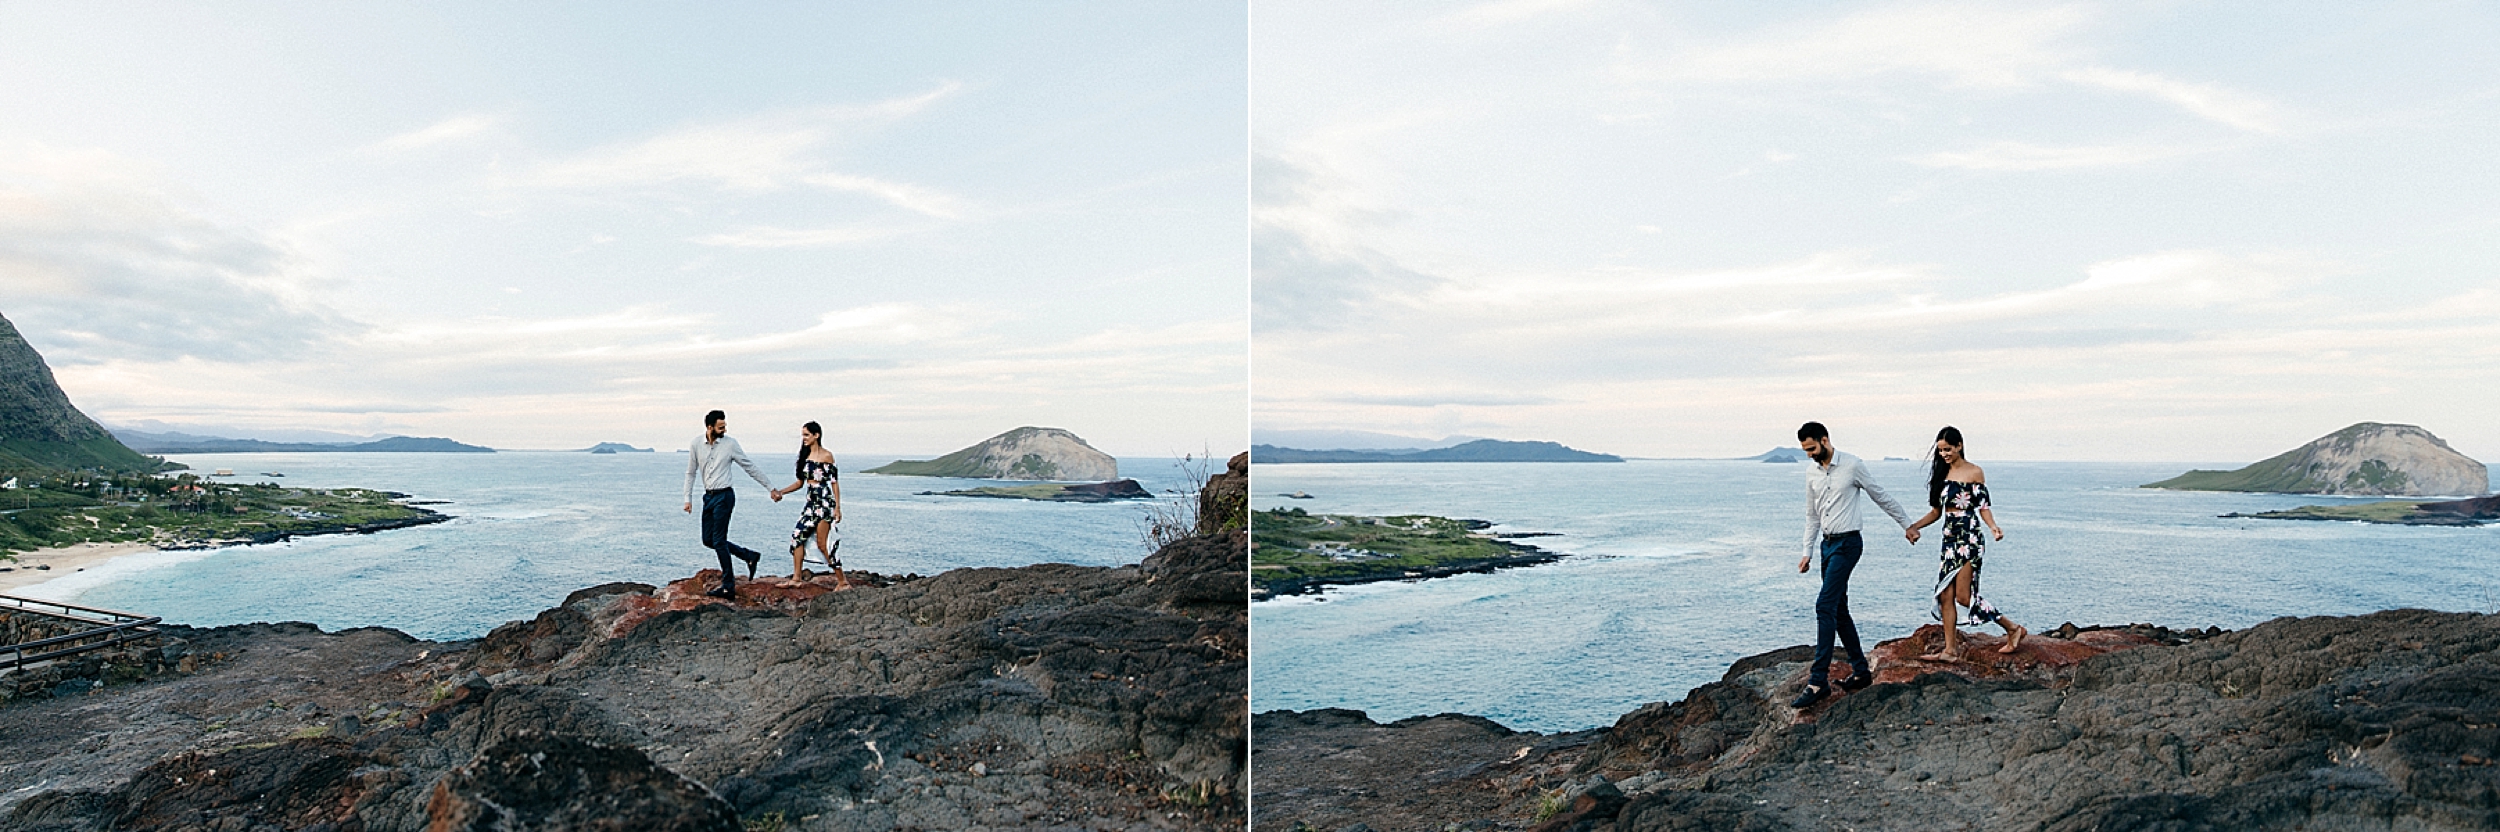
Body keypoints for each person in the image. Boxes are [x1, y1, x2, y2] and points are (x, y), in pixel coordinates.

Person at [1791, 421, 1916, 708]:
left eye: (1812, 448)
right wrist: (1807, 551)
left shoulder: (1852, 465)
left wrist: (1906, 525)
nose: (1809, 454)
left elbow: (1879, 495)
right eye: (1805, 450)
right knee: (1838, 608)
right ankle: (1860, 671)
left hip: (1848, 544)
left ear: (1825, 440)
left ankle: (1818, 681)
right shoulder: (1811, 472)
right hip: (1826, 545)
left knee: (1824, 606)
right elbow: (1812, 515)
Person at [1903, 426, 2026, 661]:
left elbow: (1983, 507)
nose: (1944, 454)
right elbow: (1936, 512)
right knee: (1945, 596)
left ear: (1959, 445)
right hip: (1949, 540)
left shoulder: (1975, 472)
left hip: (1969, 538)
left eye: (1947, 449)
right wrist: (1914, 526)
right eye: (1940, 450)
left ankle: (2012, 628)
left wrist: (1993, 527)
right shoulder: (1941, 474)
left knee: (1963, 597)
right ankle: (1950, 651)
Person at [682, 410, 778, 598]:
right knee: (708, 540)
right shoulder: (695, 444)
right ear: (709, 427)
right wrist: (688, 499)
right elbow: (691, 472)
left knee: (718, 540)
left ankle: (728, 586)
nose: (724, 429)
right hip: (708, 497)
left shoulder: (730, 444)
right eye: (720, 427)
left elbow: (749, 466)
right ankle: (748, 556)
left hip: (724, 497)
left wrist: (770, 488)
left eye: (725, 426)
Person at [769, 421, 846, 589]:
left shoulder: (827, 456)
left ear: (816, 435)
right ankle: (796, 578)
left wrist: (837, 508)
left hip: (824, 504)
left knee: (823, 544)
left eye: (806, 435)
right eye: (802, 435)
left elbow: (834, 483)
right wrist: (781, 492)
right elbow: (799, 483)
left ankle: (842, 581)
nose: (803, 438)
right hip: (811, 505)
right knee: (797, 538)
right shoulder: (805, 457)